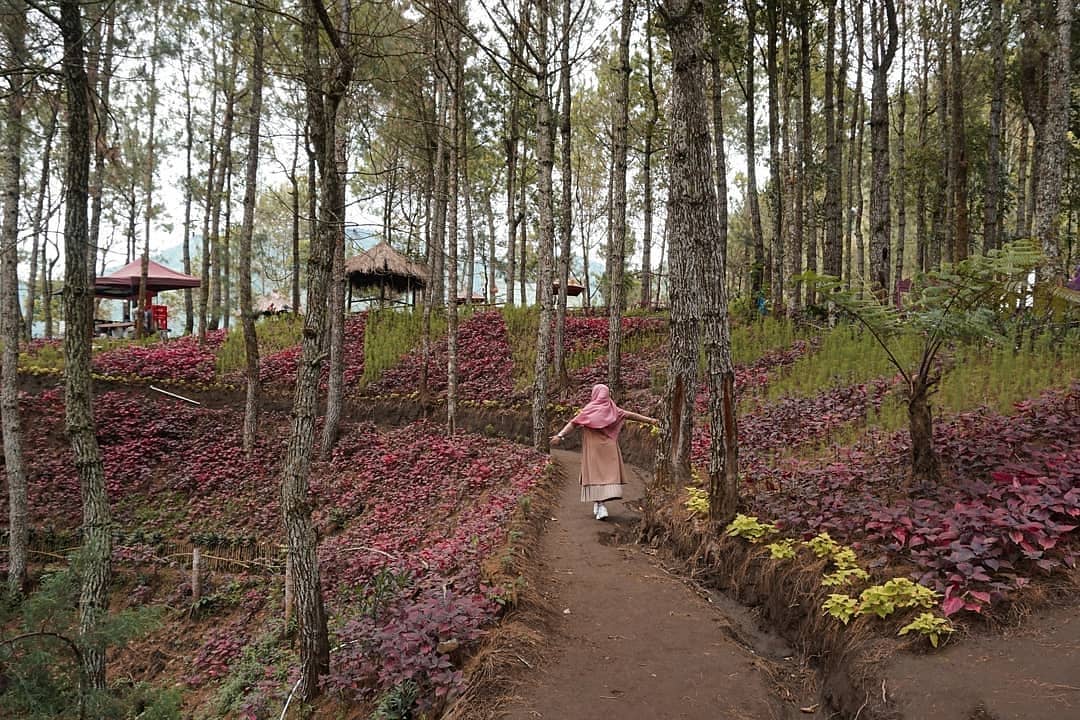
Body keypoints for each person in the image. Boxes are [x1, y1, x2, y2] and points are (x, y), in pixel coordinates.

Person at [550, 383, 658, 520]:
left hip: (594, 449)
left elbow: (573, 423)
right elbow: (630, 415)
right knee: (608, 476)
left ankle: (600, 504)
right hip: (609, 448)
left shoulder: (590, 409)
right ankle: (600, 504)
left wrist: (560, 436)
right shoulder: (613, 409)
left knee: (597, 476)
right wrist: (651, 421)